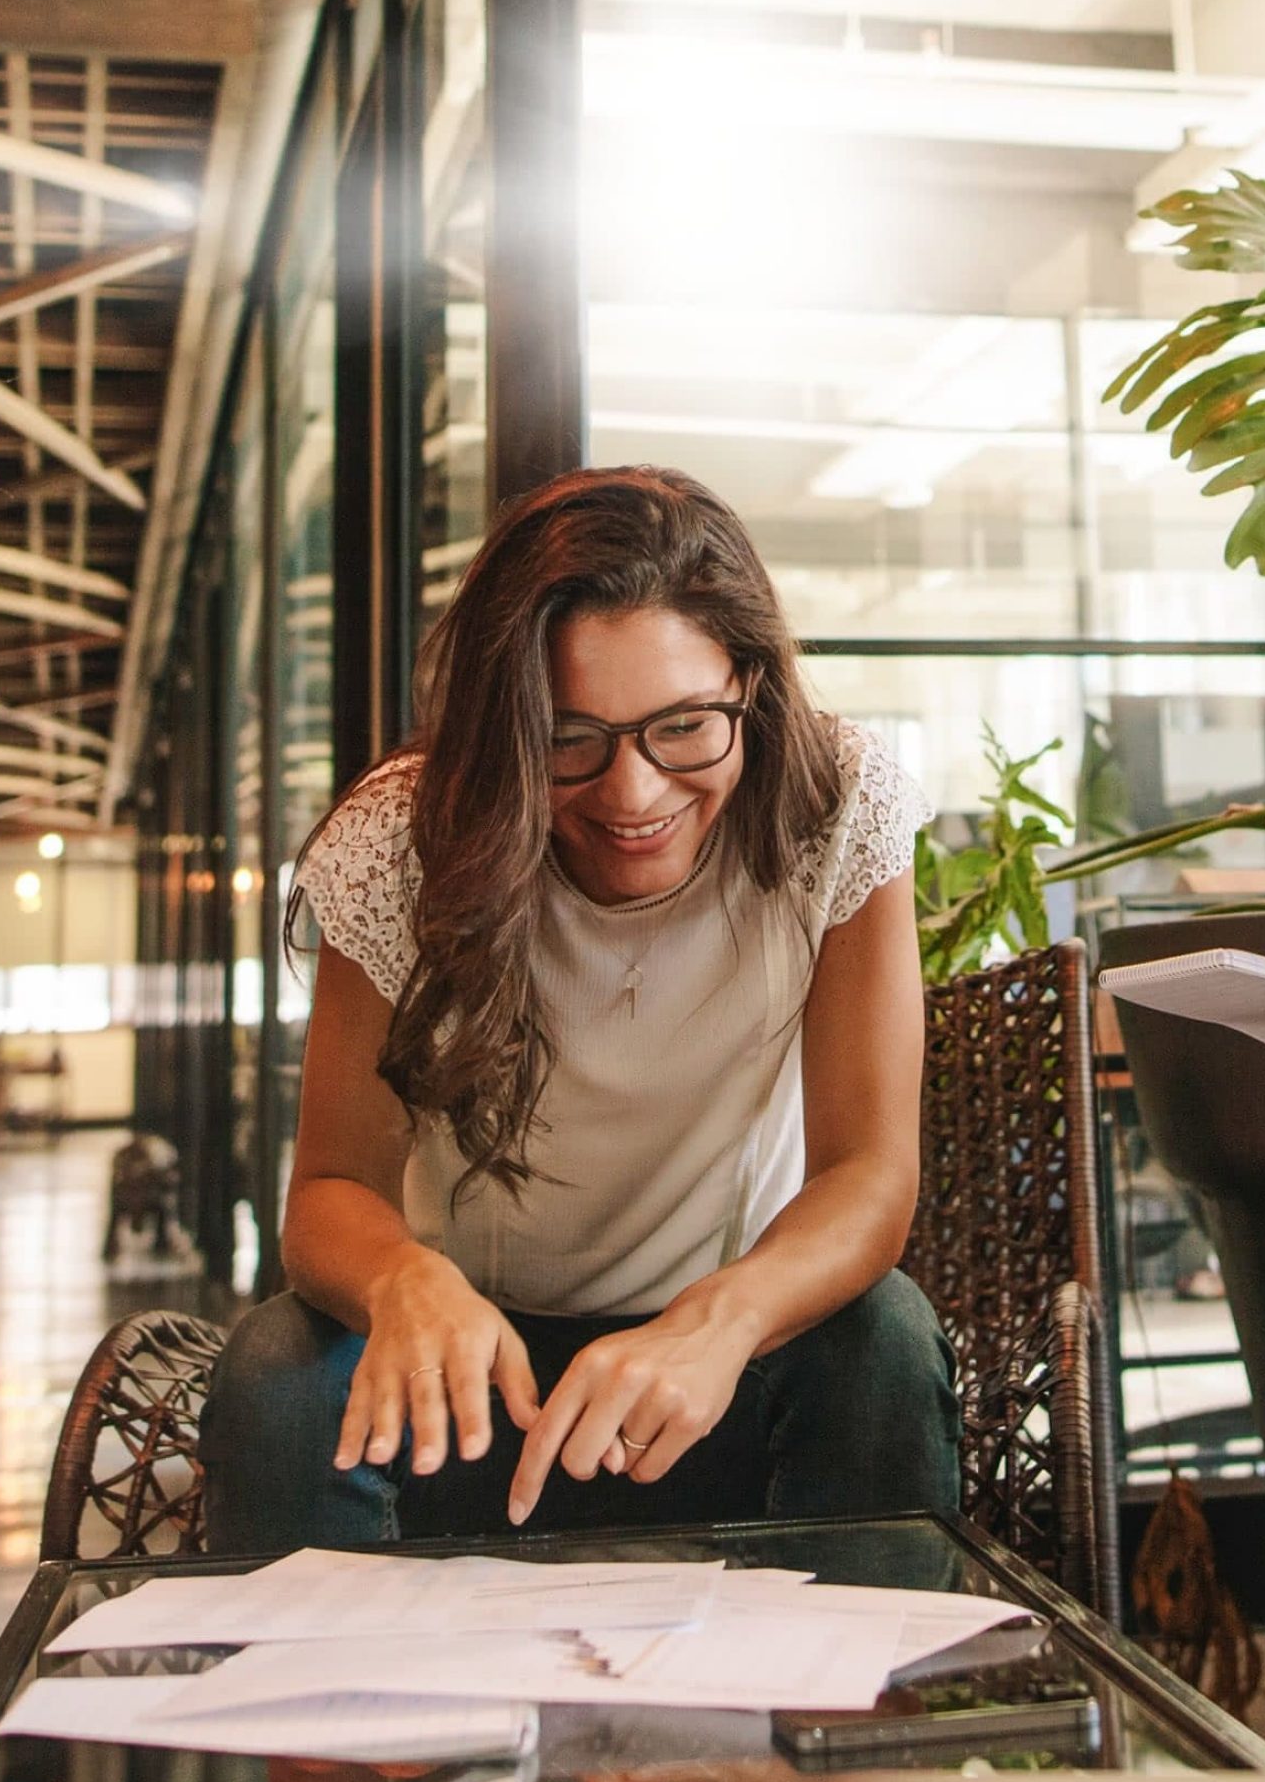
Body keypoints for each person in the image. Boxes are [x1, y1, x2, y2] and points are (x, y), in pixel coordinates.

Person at [200, 467, 958, 1550]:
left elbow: (868, 1174)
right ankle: (334, 1713)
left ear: (750, 683)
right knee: (277, 1369)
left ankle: (856, 1712)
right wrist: (404, 1280)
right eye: (569, 738)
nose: (633, 793)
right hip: (475, 1397)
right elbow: (328, 1190)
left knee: (882, 1340)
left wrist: (722, 1321)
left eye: (685, 726)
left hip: (719, 1375)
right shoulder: (399, 839)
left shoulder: (836, 805)